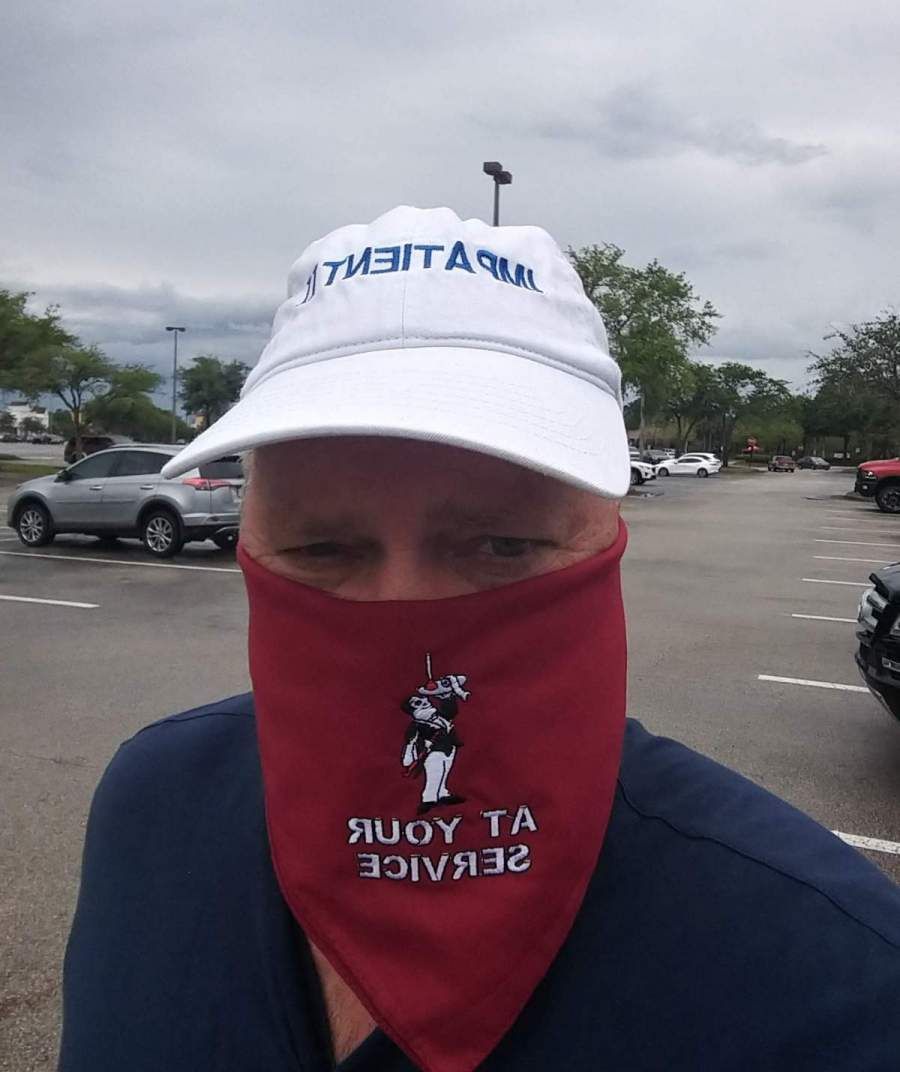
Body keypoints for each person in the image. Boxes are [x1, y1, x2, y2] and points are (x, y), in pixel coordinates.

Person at [59, 207, 900, 1072]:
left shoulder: (829, 969)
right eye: (322, 547)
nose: (405, 608)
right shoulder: (152, 811)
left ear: (609, 534)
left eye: (502, 544)